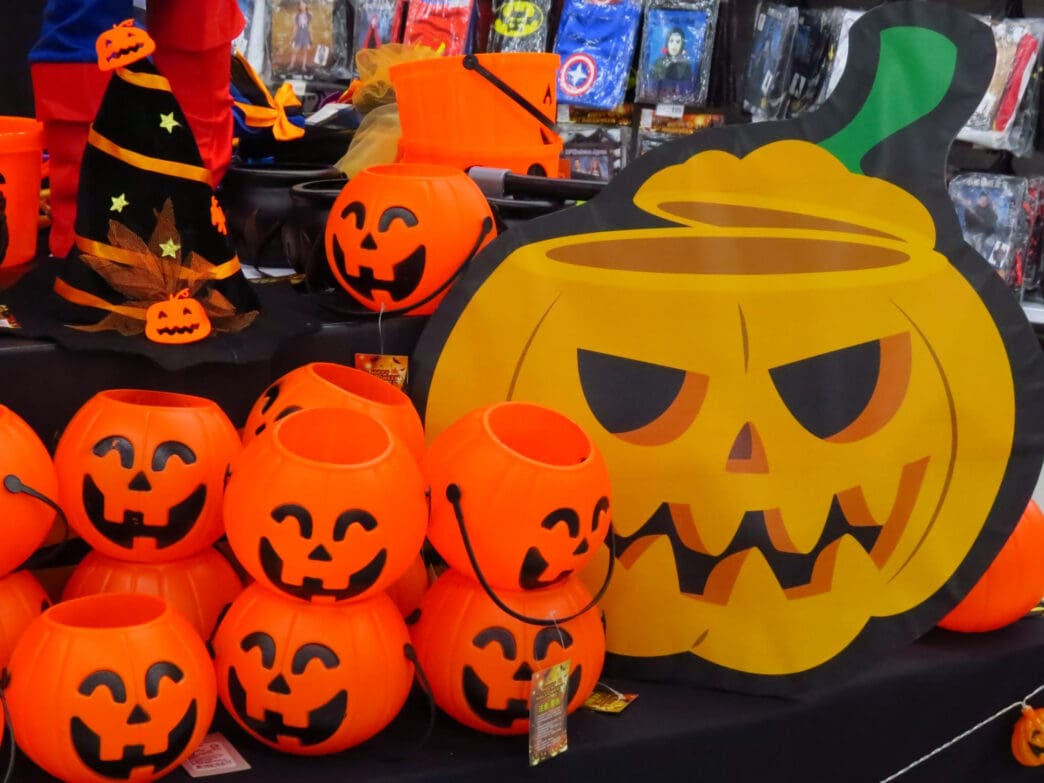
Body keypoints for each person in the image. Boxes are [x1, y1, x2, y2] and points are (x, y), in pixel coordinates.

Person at [649, 26, 695, 100]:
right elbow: (651, 90)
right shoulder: (658, 63)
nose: (674, 45)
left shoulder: (686, 65)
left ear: (682, 44)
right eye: (671, 41)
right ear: (667, 42)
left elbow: (687, 94)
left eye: (678, 42)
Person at [288, 0, 313, 71]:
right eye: (300, 5)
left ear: (306, 5)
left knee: (305, 51)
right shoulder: (297, 15)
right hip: (299, 33)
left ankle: (303, 66)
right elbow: (295, 26)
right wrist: (292, 36)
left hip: (305, 33)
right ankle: (291, 64)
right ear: (299, 6)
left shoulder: (309, 15)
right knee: (295, 50)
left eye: (303, 4)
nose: (302, 6)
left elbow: (309, 26)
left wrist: (311, 37)